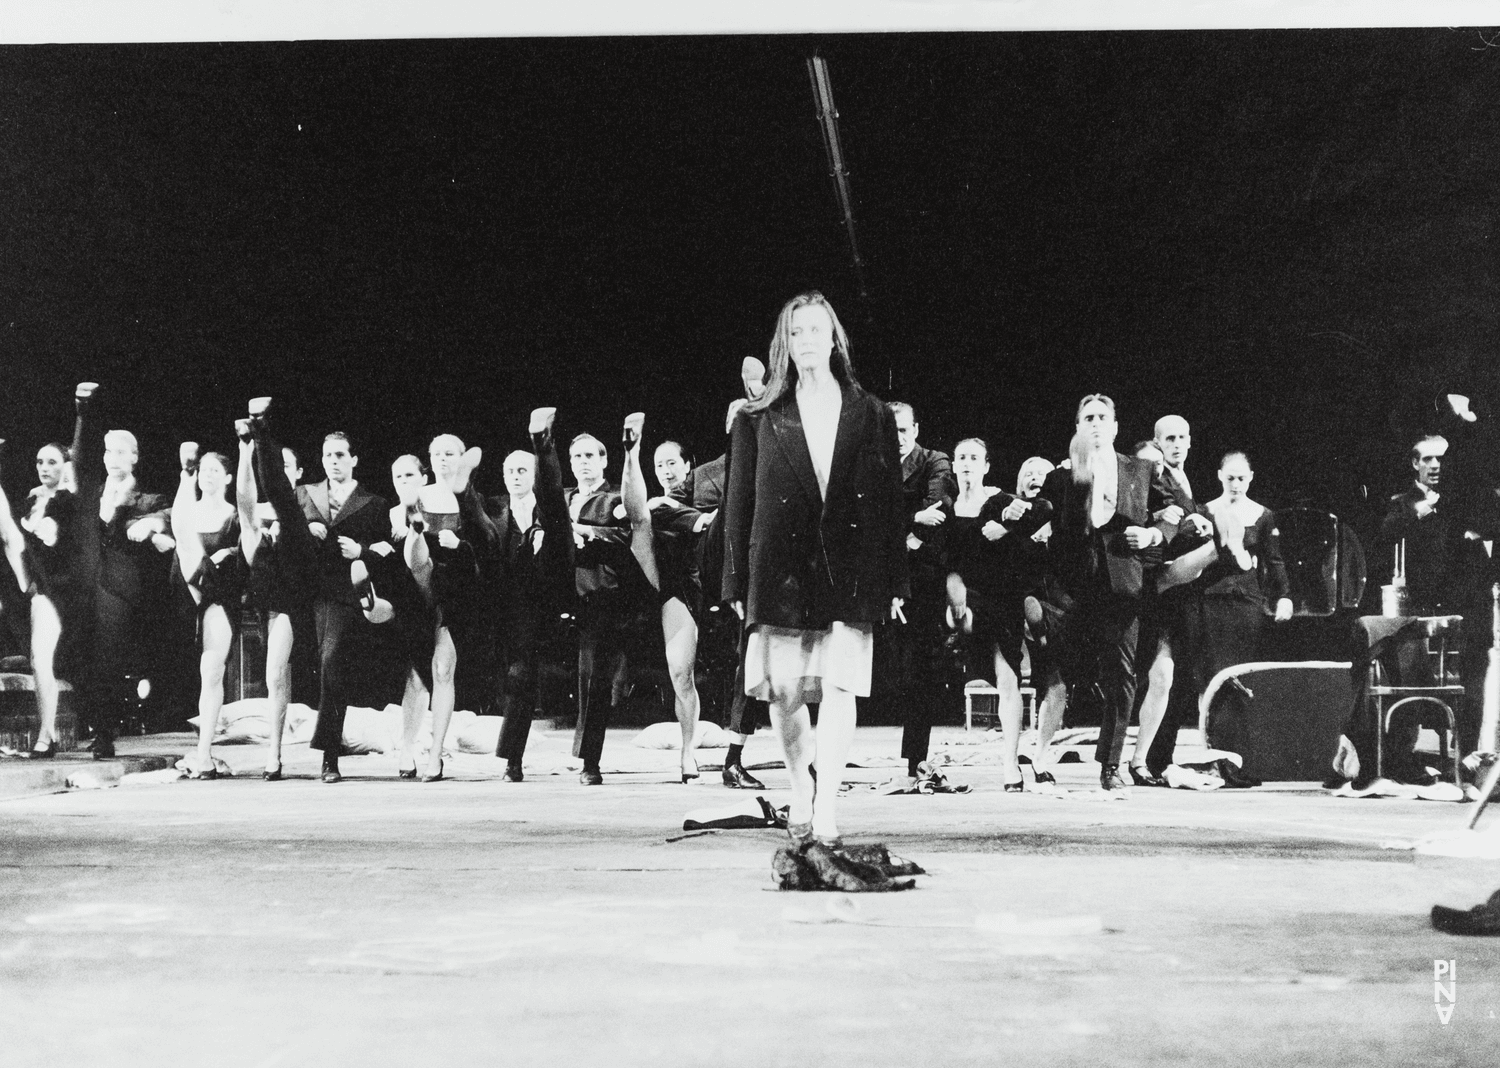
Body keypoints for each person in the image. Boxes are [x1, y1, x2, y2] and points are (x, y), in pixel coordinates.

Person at [723, 290, 908, 845]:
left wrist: (896, 578)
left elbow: (890, 502)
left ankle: (825, 804)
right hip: (780, 569)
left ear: (834, 339)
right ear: (785, 343)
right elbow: (739, 503)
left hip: (853, 567)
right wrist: (736, 578)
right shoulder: (757, 417)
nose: (807, 340)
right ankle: (799, 787)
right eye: (796, 331)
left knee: (841, 687)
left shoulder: (871, 412)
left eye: (816, 330)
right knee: (782, 691)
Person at [1039, 394, 1176, 794]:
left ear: (1115, 427)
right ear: (1078, 427)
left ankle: (1110, 766)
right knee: (1059, 674)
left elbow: (1176, 512)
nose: (1096, 424)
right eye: (1088, 418)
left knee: (1122, 676)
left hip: (1122, 584)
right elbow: (1056, 525)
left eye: (1103, 418)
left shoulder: (1143, 468)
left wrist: (1153, 534)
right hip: (1073, 588)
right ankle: (1040, 758)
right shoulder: (1061, 476)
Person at [943, 437, 1052, 790]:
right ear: (954, 465)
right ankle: (961, 624)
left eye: (974, 457)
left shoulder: (999, 500)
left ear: (986, 465)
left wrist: (1007, 524)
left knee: (1008, 679)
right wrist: (955, 589)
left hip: (1002, 595)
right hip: (963, 596)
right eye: (961, 457)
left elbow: (1045, 509)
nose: (967, 463)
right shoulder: (946, 507)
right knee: (957, 612)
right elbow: (944, 559)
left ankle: (1010, 765)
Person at [619, 412, 716, 782]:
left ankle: (687, 753)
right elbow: (629, 512)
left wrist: (677, 510)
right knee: (641, 517)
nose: (666, 470)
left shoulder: (694, 498)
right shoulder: (651, 500)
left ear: (688, 465)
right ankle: (631, 451)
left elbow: (708, 522)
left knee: (680, 673)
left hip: (677, 587)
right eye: (658, 464)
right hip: (639, 579)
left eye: (672, 463)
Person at [0, 383, 94, 759]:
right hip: (38, 586)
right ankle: (47, 733)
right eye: (39, 461)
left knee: (61, 659)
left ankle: (58, 731)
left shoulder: (71, 501)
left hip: (69, 587)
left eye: (52, 461)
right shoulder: (29, 500)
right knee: (40, 657)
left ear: (66, 466)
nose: (43, 467)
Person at [1128, 417, 1221, 789]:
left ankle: (1151, 760)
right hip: (1155, 583)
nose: (1177, 444)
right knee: (1152, 676)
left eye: (1183, 437)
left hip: (1181, 593)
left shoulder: (1182, 480)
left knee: (1169, 679)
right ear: (1157, 441)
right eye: (1170, 438)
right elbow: (1139, 516)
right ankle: (1138, 761)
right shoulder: (1153, 474)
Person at [76, 415, 174, 759]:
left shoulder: (145, 498)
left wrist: (152, 522)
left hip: (121, 591)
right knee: (85, 659)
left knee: (108, 659)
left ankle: (104, 732)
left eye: (120, 452)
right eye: (107, 451)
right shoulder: (91, 495)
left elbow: (169, 513)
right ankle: (95, 726)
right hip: (85, 589)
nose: (112, 457)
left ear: (134, 457)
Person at [1194, 451, 1293, 783]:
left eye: (1241, 478)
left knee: (1241, 680)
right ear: (1220, 475)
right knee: (1213, 679)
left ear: (1250, 478)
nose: (1235, 484)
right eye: (1229, 477)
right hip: (1210, 602)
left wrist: (1284, 597)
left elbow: (1274, 561)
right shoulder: (1205, 511)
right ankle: (1218, 762)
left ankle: (1242, 762)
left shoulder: (1264, 516)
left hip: (1247, 604)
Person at [401, 434, 496, 783]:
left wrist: (461, 544)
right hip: (417, 589)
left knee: (442, 670)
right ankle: (406, 748)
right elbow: (396, 526)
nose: (442, 458)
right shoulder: (418, 495)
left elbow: (487, 546)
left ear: (461, 458)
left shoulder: (473, 504)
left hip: (454, 591)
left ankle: (436, 756)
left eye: (450, 454)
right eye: (437, 453)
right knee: (415, 677)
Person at [488, 409, 576, 781]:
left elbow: (555, 500)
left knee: (524, 675)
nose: (514, 477)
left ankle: (543, 442)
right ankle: (514, 759)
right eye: (509, 471)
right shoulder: (493, 508)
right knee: (520, 677)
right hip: (511, 605)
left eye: (522, 470)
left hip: (553, 596)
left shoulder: (553, 503)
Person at [297, 431, 390, 783]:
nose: (333, 461)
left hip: (345, 595)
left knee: (333, 662)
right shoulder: (304, 493)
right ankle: (274, 758)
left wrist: (361, 551)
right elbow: (288, 536)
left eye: (340, 455)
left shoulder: (373, 503)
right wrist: (308, 530)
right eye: (327, 455)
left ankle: (329, 756)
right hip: (304, 593)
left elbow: (385, 552)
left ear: (353, 459)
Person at [236, 400, 316, 781]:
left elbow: (282, 497)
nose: (280, 473)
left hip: (299, 588)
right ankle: (276, 753)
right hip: (272, 599)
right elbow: (244, 500)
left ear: (298, 472)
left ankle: (262, 427)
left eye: (287, 466)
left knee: (273, 672)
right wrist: (244, 450)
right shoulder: (260, 516)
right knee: (275, 677)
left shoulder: (301, 505)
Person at [884, 402, 957, 786]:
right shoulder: (873, 462)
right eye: (890, 430)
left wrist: (901, 531)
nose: (897, 438)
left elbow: (939, 505)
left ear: (916, 427)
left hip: (921, 577)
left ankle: (916, 758)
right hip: (878, 572)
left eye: (903, 430)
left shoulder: (935, 461)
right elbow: (862, 514)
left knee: (919, 666)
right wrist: (909, 523)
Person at [567, 431, 640, 785]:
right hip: (559, 599)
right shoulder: (561, 497)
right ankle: (512, 760)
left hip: (599, 599)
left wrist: (583, 532)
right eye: (577, 457)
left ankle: (589, 761)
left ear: (602, 460)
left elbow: (625, 535)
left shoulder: (612, 499)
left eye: (589, 456)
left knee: (594, 680)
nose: (583, 462)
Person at [168, 445, 242, 779]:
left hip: (218, 593)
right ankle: (183, 469)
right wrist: (187, 476)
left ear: (227, 477)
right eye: (203, 470)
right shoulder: (186, 511)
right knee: (184, 537)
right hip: (186, 588)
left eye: (215, 469)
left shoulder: (235, 515)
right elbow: (180, 528)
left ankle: (204, 754)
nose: (208, 475)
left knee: (211, 669)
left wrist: (228, 552)